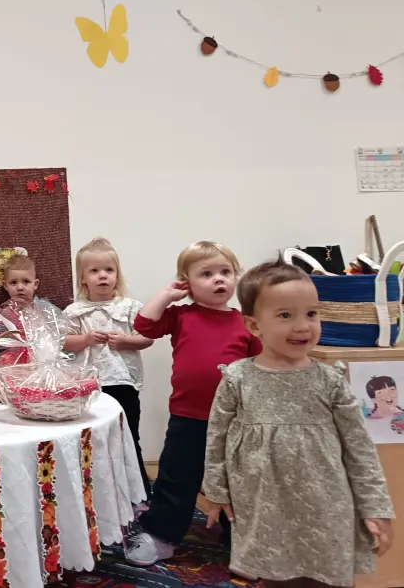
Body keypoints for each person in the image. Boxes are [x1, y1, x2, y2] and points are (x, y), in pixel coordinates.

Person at [204, 257, 394, 588]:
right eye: (285, 315)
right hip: (264, 503)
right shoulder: (237, 378)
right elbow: (216, 437)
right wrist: (216, 490)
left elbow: (359, 448)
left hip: (326, 504)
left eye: (311, 313)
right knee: (276, 574)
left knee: (328, 575)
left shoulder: (330, 381)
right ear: (254, 325)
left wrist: (375, 506)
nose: (303, 326)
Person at [126, 241, 261, 566]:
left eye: (225, 272)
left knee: (238, 481)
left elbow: (261, 366)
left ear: (236, 276)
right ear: (186, 283)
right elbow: (144, 325)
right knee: (176, 478)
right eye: (207, 274)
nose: (219, 279)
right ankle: (162, 535)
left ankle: (242, 540)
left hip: (235, 421)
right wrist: (167, 295)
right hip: (188, 417)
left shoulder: (246, 322)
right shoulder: (182, 315)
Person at [63, 238, 152, 497]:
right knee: (92, 437)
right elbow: (65, 342)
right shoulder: (74, 311)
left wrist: (126, 341)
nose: (103, 276)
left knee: (128, 435)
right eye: (94, 270)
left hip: (123, 382)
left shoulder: (130, 307)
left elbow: (147, 337)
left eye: (109, 270)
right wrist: (85, 339)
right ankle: (95, 490)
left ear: (117, 274)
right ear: (83, 278)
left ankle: (138, 491)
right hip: (89, 385)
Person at [0, 253, 68, 362]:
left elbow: (61, 339)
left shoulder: (47, 310)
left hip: (44, 361)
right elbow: (0, 347)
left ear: (35, 284)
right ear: (5, 285)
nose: (20, 287)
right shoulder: (2, 316)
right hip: (14, 364)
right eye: (13, 282)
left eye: (26, 282)